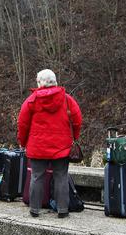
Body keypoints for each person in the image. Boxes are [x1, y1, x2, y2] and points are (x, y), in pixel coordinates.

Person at [17, 69, 82, 218]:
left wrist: (23, 141)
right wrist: (74, 137)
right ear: (54, 81)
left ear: (40, 82)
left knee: (37, 176)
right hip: (62, 146)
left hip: (38, 146)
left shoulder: (32, 100)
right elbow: (77, 120)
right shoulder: (67, 99)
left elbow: (22, 123)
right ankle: (63, 210)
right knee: (61, 177)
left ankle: (34, 209)